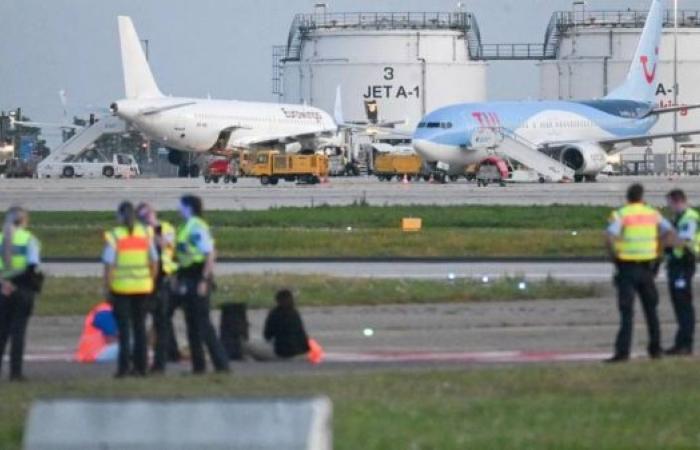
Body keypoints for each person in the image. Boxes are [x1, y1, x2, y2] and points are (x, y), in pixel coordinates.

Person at [605, 184, 674, 363]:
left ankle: (623, 352)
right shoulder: (652, 213)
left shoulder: (621, 214)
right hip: (647, 268)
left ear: (627, 197)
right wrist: (660, 253)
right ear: (642, 197)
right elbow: (668, 232)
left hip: (626, 267)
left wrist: (615, 258)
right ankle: (655, 349)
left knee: (627, 312)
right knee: (651, 311)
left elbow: (609, 237)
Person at [174, 195, 229, 374]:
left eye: (181, 206)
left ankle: (221, 364)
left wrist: (204, 280)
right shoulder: (185, 226)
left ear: (189, 207)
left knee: (203, 323)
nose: (178, 209)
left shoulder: (196, 226)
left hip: (197, 277)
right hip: (186, 276)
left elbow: (210, 253)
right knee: (191, 324)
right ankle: (199, 367)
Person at [103, 201, 158, 378]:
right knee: (140, 328)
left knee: (125, 331)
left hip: (121, 289)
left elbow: (109, 265)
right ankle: (142, 368)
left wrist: (108, 286)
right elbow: (154, 261)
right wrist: (150, 279)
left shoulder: (115, 235)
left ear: (120, 216)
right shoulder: (146, 233)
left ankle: (123, 368)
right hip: (143, 287)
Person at [136, 203, 181, 372]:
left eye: (149, 214)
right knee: (162, 318)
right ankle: (170, 352)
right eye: (143, 215)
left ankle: (169, 352)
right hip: (149, 279)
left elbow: (167, 244)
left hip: (167, 277)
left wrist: (154, 228)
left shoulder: (165, 228)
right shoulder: (139, 231)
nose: (146, 217)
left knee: (163, 317)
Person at [0, 206, 42, 381]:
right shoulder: (29, 239)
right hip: (23, 288)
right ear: (23, 220)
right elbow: (32, 267)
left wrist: (4, 282)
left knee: (2, 332)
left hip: (2, 289)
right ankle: (15, 373)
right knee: (18, 332)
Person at [664, 189, 699, 356]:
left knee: (684, 304)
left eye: (669, 203)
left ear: (676, 201)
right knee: (679, 305)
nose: (669, 207)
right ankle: (680, 343)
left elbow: (683, 240)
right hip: (676, 264)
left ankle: (686, 344)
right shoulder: (678, 217)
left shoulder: (690, 217)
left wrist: (667, 239)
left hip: (684, 264)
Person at [244, 289, 311, 361]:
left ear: (278, 301)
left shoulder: (275, 314)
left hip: (283, 353)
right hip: (301, 352)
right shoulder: (294, 313)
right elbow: (303, 336)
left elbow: (267, 335)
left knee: (246, 347)